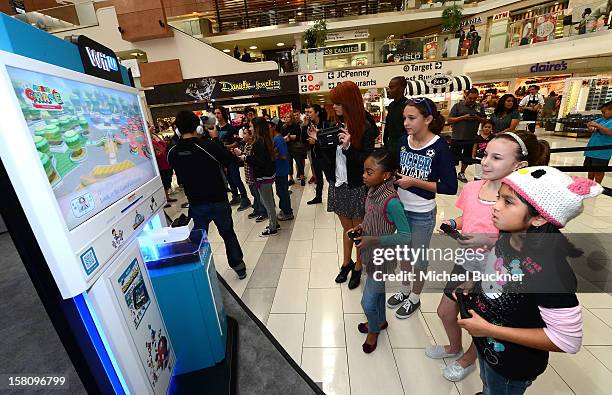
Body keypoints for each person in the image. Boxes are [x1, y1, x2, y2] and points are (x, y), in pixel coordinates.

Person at [458, 166, 601, 394]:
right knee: (487, 380)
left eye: (508, 202)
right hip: (488, 348)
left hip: (512, 365)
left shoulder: (550, 272)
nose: (495, 206)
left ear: (539, 218)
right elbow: (499, 268)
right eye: (499, 198)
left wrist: (489, 329)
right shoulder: (509, 236)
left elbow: (567, 341)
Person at [427, 131, 550, 382]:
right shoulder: (473, 188)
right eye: (485, 154)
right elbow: (469, 217)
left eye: (496, 157)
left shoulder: (518, 202)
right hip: (467, 262)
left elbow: (524, 242)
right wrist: (453, 222)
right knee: (445, 311)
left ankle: (468, 359)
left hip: (498, 272)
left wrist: (488, 240)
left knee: (482, 321)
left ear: (519, 166)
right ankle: (454, 346)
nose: (485, 162)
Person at [389, 97, 458, 318]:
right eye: (404, 118)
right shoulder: (403, 141)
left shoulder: (439, 147)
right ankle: (404, 289)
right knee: (404, 255)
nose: (406, 123)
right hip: (401, 210)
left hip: (422, 213)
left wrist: (414, 182)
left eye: (412, 118)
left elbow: (449, 186)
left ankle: (415, 297)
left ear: (428, 119)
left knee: (419, 258)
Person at [310, 81, 378, 290]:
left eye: (338, 103)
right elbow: (329, 158)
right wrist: (318, 142)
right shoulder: (337, 125)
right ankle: (346, 262)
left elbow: (366, 163)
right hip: (338, 183)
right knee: (346, 228)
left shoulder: (366, 128)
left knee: (357, 230)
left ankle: (358, 265)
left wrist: (348, 147)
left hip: (356, 186)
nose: (335, 107)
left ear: (349, 103)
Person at [167, 111, 246, 279]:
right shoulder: (208, 145)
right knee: (227, 233)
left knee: (198, 239)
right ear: (198, 127)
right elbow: (227, 160)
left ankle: (198, 272)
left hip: (196, 203)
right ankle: (239, 266)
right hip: (218, 199)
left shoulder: (173, 151)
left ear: (178, 130)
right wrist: (216, 139)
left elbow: (174, 170)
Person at [349, 149, 411, 353]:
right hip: (370, 253)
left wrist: (374, 239)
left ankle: (373, 329)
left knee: (367, 303)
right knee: (379, 291)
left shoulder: (392, 201)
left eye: (369, 172)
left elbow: (405, 235)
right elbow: (370, 219)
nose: (363, 176)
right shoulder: (372, 192)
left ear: (385, 175)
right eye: (364, 171)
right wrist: (360, 228)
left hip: (383, 258)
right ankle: (382, 320)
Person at [233, 118, 278, 236]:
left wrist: (244, 157)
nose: (250, 129)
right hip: (267, 175)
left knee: (267, 203)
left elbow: (258, 161)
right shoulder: (265, 140)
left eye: (252, 126)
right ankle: (274, 222)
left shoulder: (259, 143)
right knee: (268, 201)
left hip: (262, 177)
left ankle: (273, 227)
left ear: (257, 128)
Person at [215, 106, 251, 211]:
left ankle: (245, 198)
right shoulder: (216, 129)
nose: (217, 115)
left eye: (219, 113)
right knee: (229, 179)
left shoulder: (230, 128)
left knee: (236, 178)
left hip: (231, 157)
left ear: (223, 114)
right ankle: (235, 196)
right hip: (222, 159)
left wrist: (227, 147)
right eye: (215, 113)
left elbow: (237, 142)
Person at [448, 88, 487, 182]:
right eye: (470, 98)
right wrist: (463, 118)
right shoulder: (457, 106)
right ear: (466, 96)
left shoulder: (479, 107)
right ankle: (450, 174)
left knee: (467, 158)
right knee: (453, 158)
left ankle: (461, 173)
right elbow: (449, 120)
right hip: (457, 137)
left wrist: (477, 118)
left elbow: (485, 121)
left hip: (471, 137)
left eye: (475, 98)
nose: (472, 100)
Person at [304, 104, 330, 204]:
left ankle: (335, 196)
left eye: (310, 112)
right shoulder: (310, 125)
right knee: (318, 178)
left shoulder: (325, 125)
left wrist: (316, 142)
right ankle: (318, 197)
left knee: (329, 178)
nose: (308, 114)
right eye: (307, 112)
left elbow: (328, 142)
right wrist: (305, 126)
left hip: (325, 157)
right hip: (315, 156)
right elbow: (303, 140)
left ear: (317, 113)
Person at [240, 123, 267, 220]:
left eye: (245, 133)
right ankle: (257, 209)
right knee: (254, 194)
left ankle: (263, 211)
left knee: (258, 195)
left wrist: (243, 156)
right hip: (248, 174)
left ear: (251, 135)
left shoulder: (254, 146)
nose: (243, 135)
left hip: (254, 174)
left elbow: (252, 159)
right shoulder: (246, 145)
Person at [270, 118, 294, 221]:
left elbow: (284, 155)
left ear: (274, 127)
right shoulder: (276, 138)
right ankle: (284, 209)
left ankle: (287, 212)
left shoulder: (278, 139)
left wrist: (274, 155)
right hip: (279, 170)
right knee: (280, 191)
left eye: (270, 126)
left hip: (282, 170)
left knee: (283, 191)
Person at [584, 100, 612, 183]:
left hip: (602, 153)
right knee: (590, 169)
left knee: (599, 171)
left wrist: (597, 126)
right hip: (592, 149)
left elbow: (609, 132)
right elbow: (590, 123)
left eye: (604, 112)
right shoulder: (603, 119)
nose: (602, 114)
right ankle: (589, 184)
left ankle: (597, 186)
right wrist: (591, 127)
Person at [150, 123, 177, 207]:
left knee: (167, 179)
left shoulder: (155, 135)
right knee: (163, 180)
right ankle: (163, 199)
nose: (153, 127)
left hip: (165, 160)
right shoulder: (148, 138)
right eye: (149, 126)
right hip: (159, 163)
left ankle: (166, 196)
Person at [383, 76, 409, 155]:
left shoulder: (407, 106)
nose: (388, 90)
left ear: (401, 89)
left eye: (391, 88)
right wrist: (386, 142)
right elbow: (388, 126)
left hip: (403, 147)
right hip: (391, 147)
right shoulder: (391, 106)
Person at [282, 112, 306, 186]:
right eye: (285, 117)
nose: (286, 118)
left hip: (296, 147)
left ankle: (302, 177)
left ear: (292, 118)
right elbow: (282, 137)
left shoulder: (296, 126)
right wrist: (287, 137)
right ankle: (291, 178)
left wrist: (289, 137)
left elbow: (298, 137)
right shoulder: (283, 127)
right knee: (289, 163)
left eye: (288, 117)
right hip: (287, 147)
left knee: (299, 163)